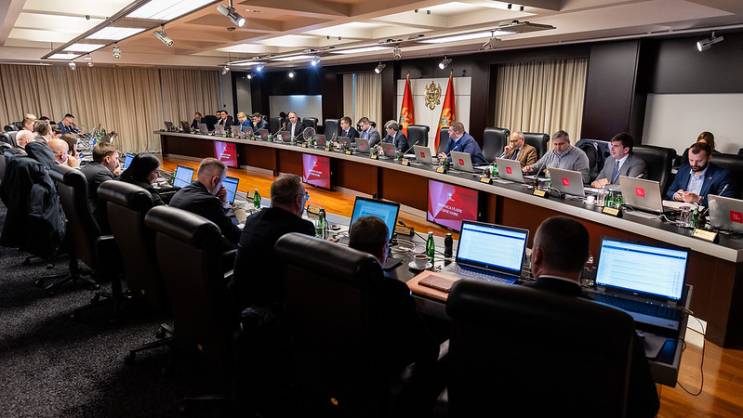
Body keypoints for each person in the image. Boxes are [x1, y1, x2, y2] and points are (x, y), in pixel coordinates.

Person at [527, 216, 659, 418]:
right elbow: (646, 405)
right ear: (586, 262)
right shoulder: (618, 325)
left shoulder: (499, 302)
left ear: (536, 256)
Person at [347, 216, 440, 412]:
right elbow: (428, 349)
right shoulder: (394, 291)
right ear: (384, 249)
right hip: (381, 378)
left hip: (343, 369)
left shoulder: (336, 276)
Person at [231, 174, 315, 308]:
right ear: (298, 200)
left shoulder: (253, 219)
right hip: (271, 305)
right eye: (305, 197)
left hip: (238, 298)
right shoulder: (302, 227)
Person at [169, 158, 241, 247]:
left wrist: (223, 202)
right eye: (221, 182)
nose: (222, 186)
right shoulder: (210, 202)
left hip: (180, 249)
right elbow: (234, 235)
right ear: (215, 180)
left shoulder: (181, 192)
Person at [665, 141, 735, 205]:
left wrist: (698, 199)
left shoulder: (722, 175)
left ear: (709, 158)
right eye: (691, 160)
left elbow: (725, 203)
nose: (694, 164)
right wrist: (676, 195)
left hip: (702, 213)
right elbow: (670, 191)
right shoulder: (684, 169)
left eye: (699, 161)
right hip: (681, 209)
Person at [524, 130, 590, 183]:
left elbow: (585, 178)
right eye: (555, 144)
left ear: (568, 142)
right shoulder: (550, 153)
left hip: (567, 187)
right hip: (549, 185)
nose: (558, 147)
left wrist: (563, 176)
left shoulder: (579, 155)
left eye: (561, 144)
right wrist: (530, 168)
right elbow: (538, 166)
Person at [81, 143, 120, 230]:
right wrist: (117, 175)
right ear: (108, 159)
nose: (118, 163)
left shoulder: (89, 166)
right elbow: (115, 193)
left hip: (83, 215)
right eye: (116, 158)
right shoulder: (101, 173)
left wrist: (114, 174)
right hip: (95, 220)